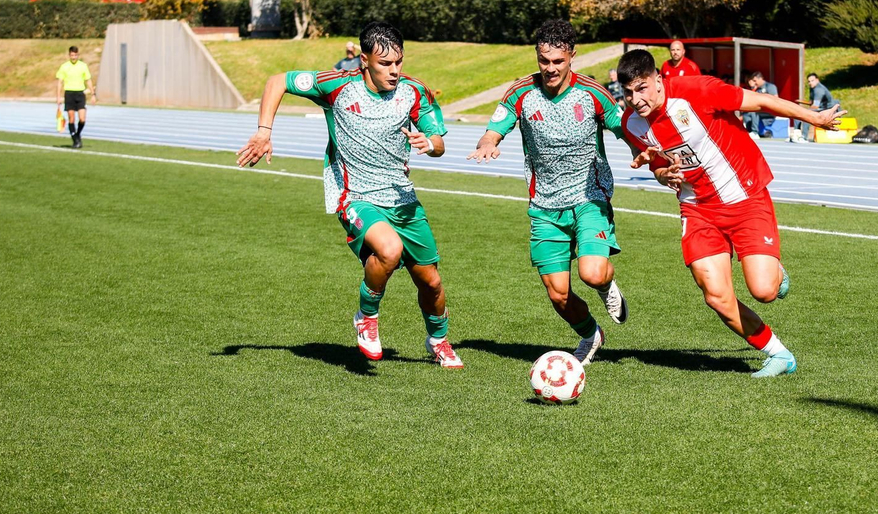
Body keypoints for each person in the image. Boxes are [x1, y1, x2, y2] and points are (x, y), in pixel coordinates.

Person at [236, 21, 461, 369]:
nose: (395, 71)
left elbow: (440, 143)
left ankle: (439, 341)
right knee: (389, 250)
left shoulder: (414, 92)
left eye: (399, 62)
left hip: (402, 199)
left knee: (431, 283)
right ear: (365, 60)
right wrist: (264, 131)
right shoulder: (338, 85)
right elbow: (276, 80)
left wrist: (430, 144)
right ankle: (366, 317)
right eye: (386, 64)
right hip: (353, 194)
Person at [617, 48, 845, 378]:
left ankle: (775, 273)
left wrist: (815, 118)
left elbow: (761, 101)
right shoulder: (632, 124)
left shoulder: (698, 91)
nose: (635, 99)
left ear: (657, 79)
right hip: (698, 210)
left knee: (764, 290)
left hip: (744, 196)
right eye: (628, 93)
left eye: (641, 88)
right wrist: (661, 174)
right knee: (716, 294)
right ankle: (777, 353)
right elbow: (658, 164)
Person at [469, 20, 630, 364]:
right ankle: (590, 334)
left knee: (592, 273)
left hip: (590, 197)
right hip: (544, 205)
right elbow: (495, 127)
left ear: (572, 56)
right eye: (544, 61)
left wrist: (645, 151)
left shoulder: (592, 93)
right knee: (558, 294)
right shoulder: (521, 92)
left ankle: (605, 287)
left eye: (558, 61)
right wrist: (487, 143)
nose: (550, 69)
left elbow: (626, 127)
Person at [55, 45, 96, 149]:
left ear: (78, 55)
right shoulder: (64, 66)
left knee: (82, 118)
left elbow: (88, 80)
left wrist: (93, 94)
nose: (74, 57)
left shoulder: (83, 66)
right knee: (71, 118)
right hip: (69, 94)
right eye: (72, 55)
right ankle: (75, 140)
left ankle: (77, 134)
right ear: (69, 55)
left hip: (80, 94)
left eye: (75, 55)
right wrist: (58, 97)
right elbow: (60, 82)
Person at [797, 72, 838, 142]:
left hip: (828, 110)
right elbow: (811, 103)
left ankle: (804, 137)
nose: (810, 83)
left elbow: (815, 105)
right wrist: (801, 102)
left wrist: (805, 111)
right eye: (809, 81)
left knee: (807, 115)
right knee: (797, 113)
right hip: (820, 108)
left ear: (817, 80)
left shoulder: (819, 90)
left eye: (812, 81)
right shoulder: (812, 88)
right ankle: (796, 134)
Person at [741, 70, 778, 137]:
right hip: (761, 111)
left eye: (755, 81)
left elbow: (776, 100)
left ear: (760, 78)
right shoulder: (757, 89)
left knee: (754, 111)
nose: (755, 83)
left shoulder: (770, 86)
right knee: (746, 114)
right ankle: (750, 131)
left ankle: (755, 132)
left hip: (770, 111)